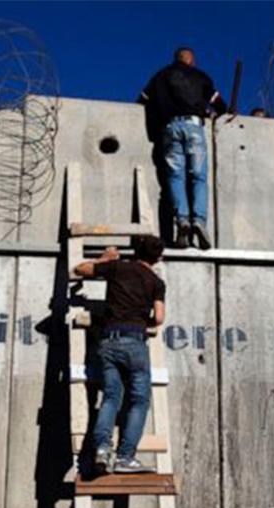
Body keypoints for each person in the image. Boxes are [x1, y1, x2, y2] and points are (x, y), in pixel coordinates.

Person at [71, 235, 166, 475]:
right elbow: (160, 318)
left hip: (108, 341)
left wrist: (105, 257)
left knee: (111, 397)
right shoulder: (156, 281)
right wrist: (145, 320)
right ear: (157, 258)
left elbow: (79, 269)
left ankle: (102, 449)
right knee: (139, 401)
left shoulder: (117, 267)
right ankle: (125, 458)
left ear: (135, 252)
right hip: (135, 341)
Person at [138, 47, 226, 250]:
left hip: (170, 128)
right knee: (198, 176)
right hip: (194, 127)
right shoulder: (200, 76)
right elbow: (219, 104)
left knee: (175, 177)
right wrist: (215, 112)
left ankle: (182, 220)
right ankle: (199, 221)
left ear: (175, 59)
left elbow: (142, 100)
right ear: (191, 60)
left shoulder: (160, 76)